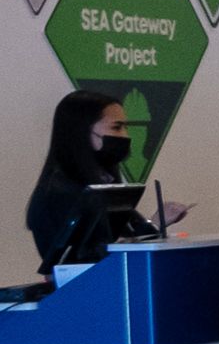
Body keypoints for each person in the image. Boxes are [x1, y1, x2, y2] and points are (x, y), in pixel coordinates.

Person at [27, 92, 183, 270]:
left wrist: (156, 225)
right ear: (81, 131)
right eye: (116, 128)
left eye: (125, 127)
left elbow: (123, 237)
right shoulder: (60, 192)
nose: (125, 136)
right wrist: (150, 227)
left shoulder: (105, 185)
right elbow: (84, 256)